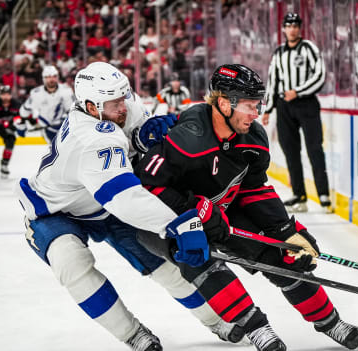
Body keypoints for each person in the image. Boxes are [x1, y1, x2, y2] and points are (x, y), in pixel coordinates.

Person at [135, 64, 358, 351]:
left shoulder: (254, 139)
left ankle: (331, 323)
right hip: (167, 221)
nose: (256, 114)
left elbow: (255, 189)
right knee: (199, 258)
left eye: (257, 105)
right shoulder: (187, 136)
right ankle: (256, 328)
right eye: (249, 105)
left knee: (283, 256)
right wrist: (191, 209)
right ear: (223, 103)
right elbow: (147, 187)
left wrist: (285, 230)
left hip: (221, 212)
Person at [14, 62, 243, 350]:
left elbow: (130, 139)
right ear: (91, 106)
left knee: (163, 266)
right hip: (56, 210)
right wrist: (179, 224)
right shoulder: (91, 137)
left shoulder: (115, 106)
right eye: (114, 103)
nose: (123, 106)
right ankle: (132, 334)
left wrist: (140, 136)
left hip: (104, 203)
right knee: (71, 263)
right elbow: (124, 197)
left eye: (124, 97)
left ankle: (217, 320)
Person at [261, 13, 331, 213]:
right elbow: (273, 81)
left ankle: (323, 195)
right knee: (290, 151)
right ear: (283, 28)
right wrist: (268, 109)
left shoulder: (309, 48)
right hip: (285, 107)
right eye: (288, 26)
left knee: (314, 149)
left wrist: (298, 91)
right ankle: (299, 195)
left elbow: (320, 75)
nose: (292, 29)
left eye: (295, 26)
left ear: (300, 28)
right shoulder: (279, 53)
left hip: (306, 104)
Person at [19, 65, 76, 143]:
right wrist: (22, 123)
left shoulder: (66, 91)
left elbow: (72, 110)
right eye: (48, 77)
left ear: (57, 77)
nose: (51, 79)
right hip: (46, 128)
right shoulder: (36, 93)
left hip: (63, 127)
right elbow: (25, 110)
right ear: (44, 78)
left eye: (54, 76)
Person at [0, 85, 23, 179]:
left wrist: (15, 125)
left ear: (11, 95)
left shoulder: (16, 104)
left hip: (6, 127)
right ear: (0, 95)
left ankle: (4, 164)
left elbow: (19, 118)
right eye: (4, 95)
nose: (6, 97)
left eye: (8, 94)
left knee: (11, 140)